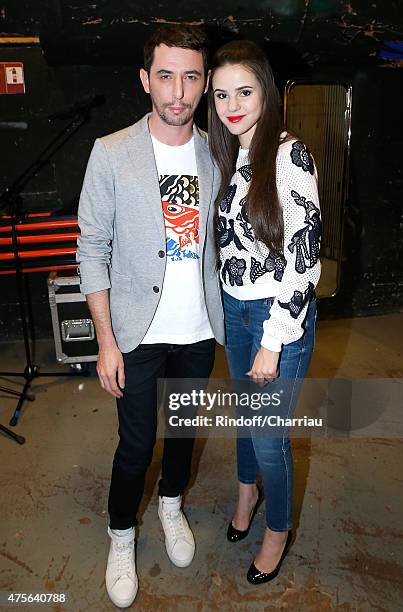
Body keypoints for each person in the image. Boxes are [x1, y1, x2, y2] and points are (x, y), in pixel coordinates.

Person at [77, 24, 224, 608]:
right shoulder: (112, 152)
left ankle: (170, 504)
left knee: (183, 434)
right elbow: (92, 245)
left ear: (205, 81)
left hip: (200, 329)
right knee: (135, 445)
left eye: (191, 76)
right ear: (145, 80)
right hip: (136, 330)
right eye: (166, 76)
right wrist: (105, 339)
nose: (178, 91)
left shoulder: (220, 151)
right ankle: (121, 534)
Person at [208, 40, 321, 584]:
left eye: (245, 91)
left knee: (269, 439)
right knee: (245, 423)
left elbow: (304, 258)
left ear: (266, 92)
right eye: (223, 94)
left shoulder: (288, 153)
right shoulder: (231, 156)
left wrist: (274, 341)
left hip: (278, 319)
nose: (233, 105)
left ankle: (277, 528)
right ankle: (245, 493)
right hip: (235, 311)